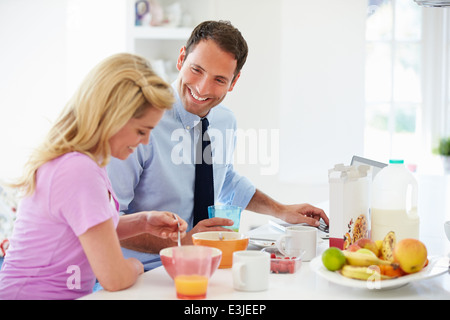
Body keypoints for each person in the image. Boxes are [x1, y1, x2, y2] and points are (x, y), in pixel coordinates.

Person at [107, 20, 329, 271]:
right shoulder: (139, 123)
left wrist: (281, 210)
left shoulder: (224, 120)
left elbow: (224, 179)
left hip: (204, 265)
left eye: (219, 79)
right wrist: (184, 241)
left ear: (234, 82)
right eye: (197, 69)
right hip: (143, 271)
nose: (202, 88)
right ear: (181, 59)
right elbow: (106, 222)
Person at [0, 53, 187, 300]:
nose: (145, 141)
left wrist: (143, 222)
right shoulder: (78, 171)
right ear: (112, 117)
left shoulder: (85, 162)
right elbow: (115, 278)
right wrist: (138, 266)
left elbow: (86, 230)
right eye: (142, 131)